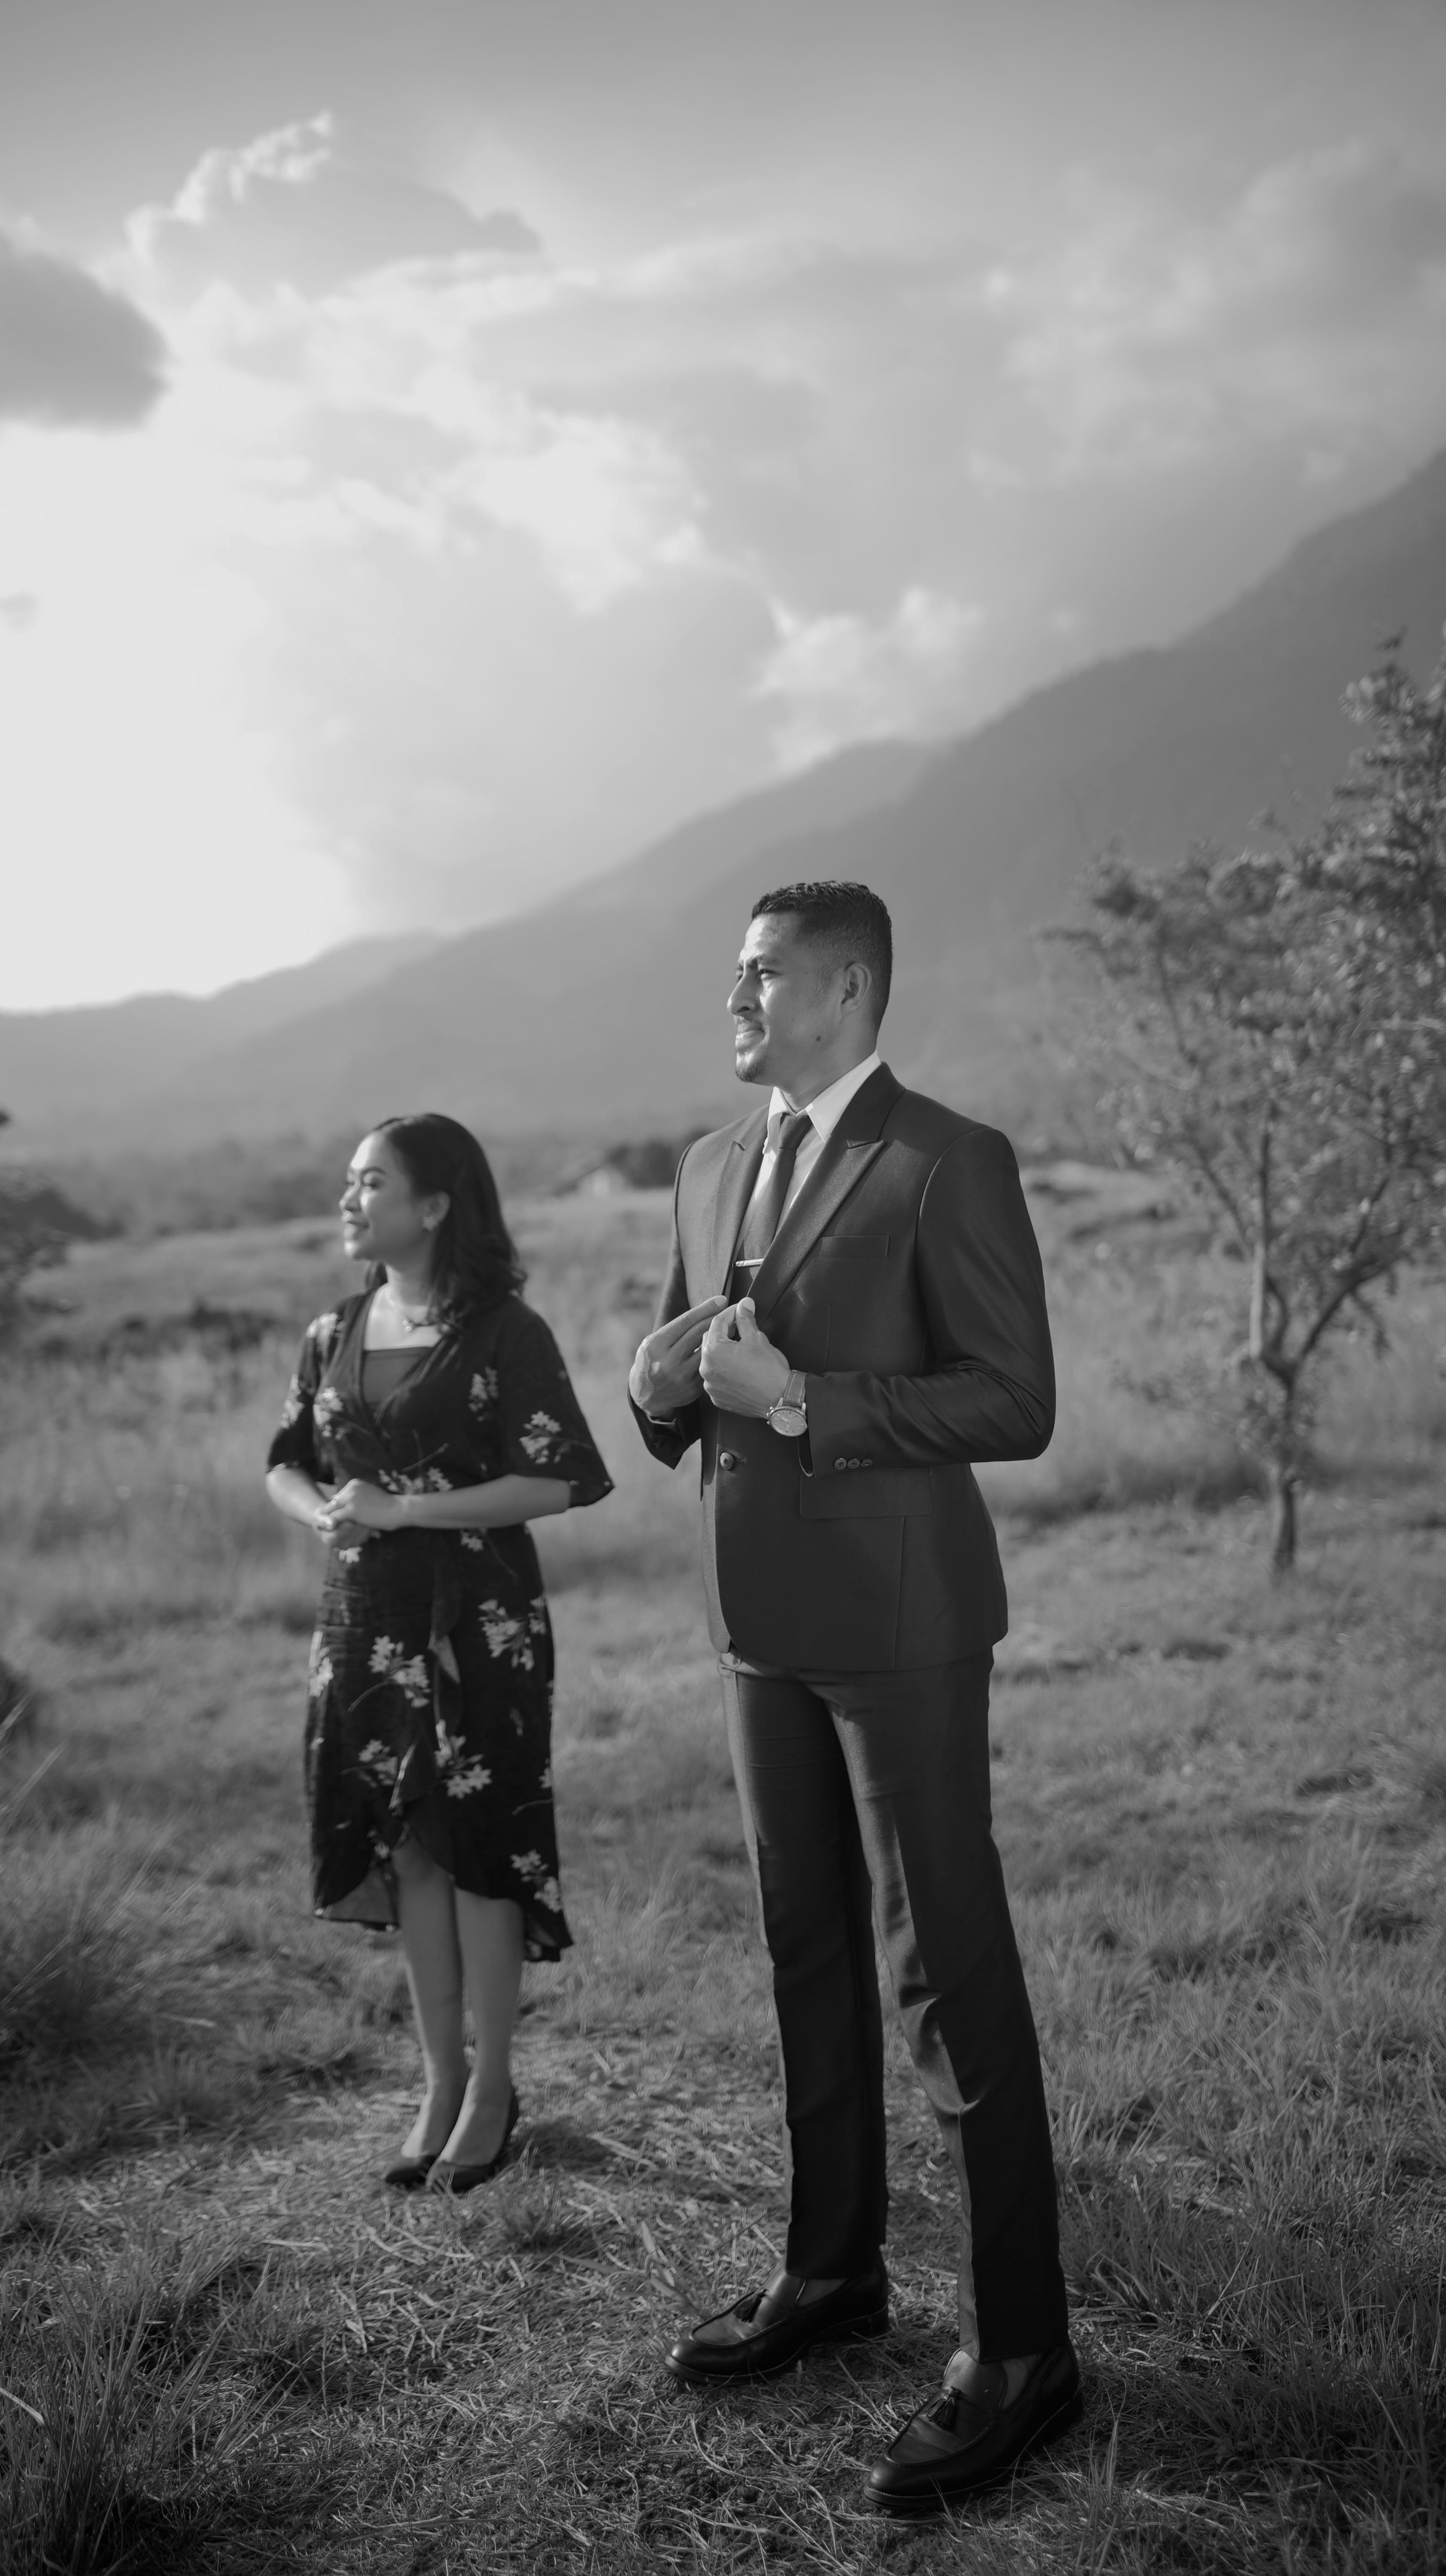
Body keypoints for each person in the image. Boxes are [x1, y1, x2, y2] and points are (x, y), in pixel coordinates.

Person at [628, 881, 1079, 2516]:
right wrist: (653, 1382)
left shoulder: (946, 1160)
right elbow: (681, 1375)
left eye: (755, 972)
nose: (731, 992)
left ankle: (1024, 2352)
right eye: (732, 967)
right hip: (754, 1622)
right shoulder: (702, 1167)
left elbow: (1013, 1398)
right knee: (800, 1948)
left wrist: (806, 1397)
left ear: (841, 987)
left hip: (900, 1630)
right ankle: (832, 2277)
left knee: (938, 1966)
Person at [266, 1112, 611, 2191]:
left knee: (477, 1852)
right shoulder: (333, 1330)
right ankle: (439, 2079)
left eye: (372, 1182)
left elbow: (558, 1479)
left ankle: (496, 2088)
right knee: (408, 1850)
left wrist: (409, 1510)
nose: (350, 1200)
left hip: (478, 1626)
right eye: (349, 1182)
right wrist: (321, 1512)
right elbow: (284, 1463)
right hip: (361, 1624)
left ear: (436, 1204)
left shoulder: (507, 1332)